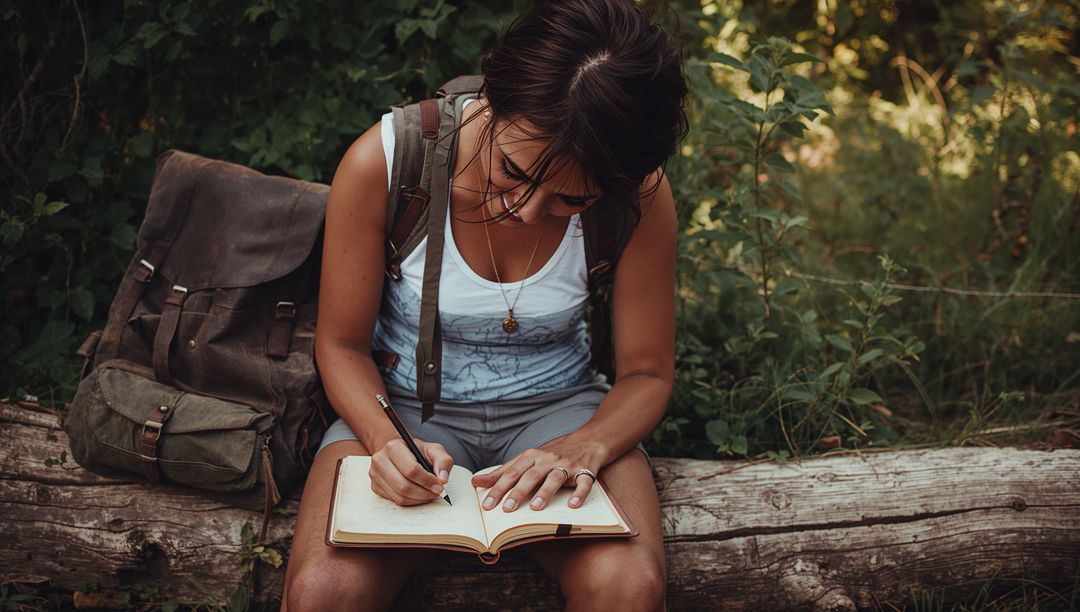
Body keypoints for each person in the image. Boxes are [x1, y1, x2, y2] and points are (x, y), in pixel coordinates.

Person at [282, 0, 687, 609]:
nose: (525, 209)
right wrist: (384, 438)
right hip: (403, 410)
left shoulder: (640, 196)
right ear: (493, 99)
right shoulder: (387, 162)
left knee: (628, 586)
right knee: (321, 592)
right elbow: (339, 344)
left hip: (562, 415)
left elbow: (648, 373)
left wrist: (588, 445)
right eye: (512, 170)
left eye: (570, 200)